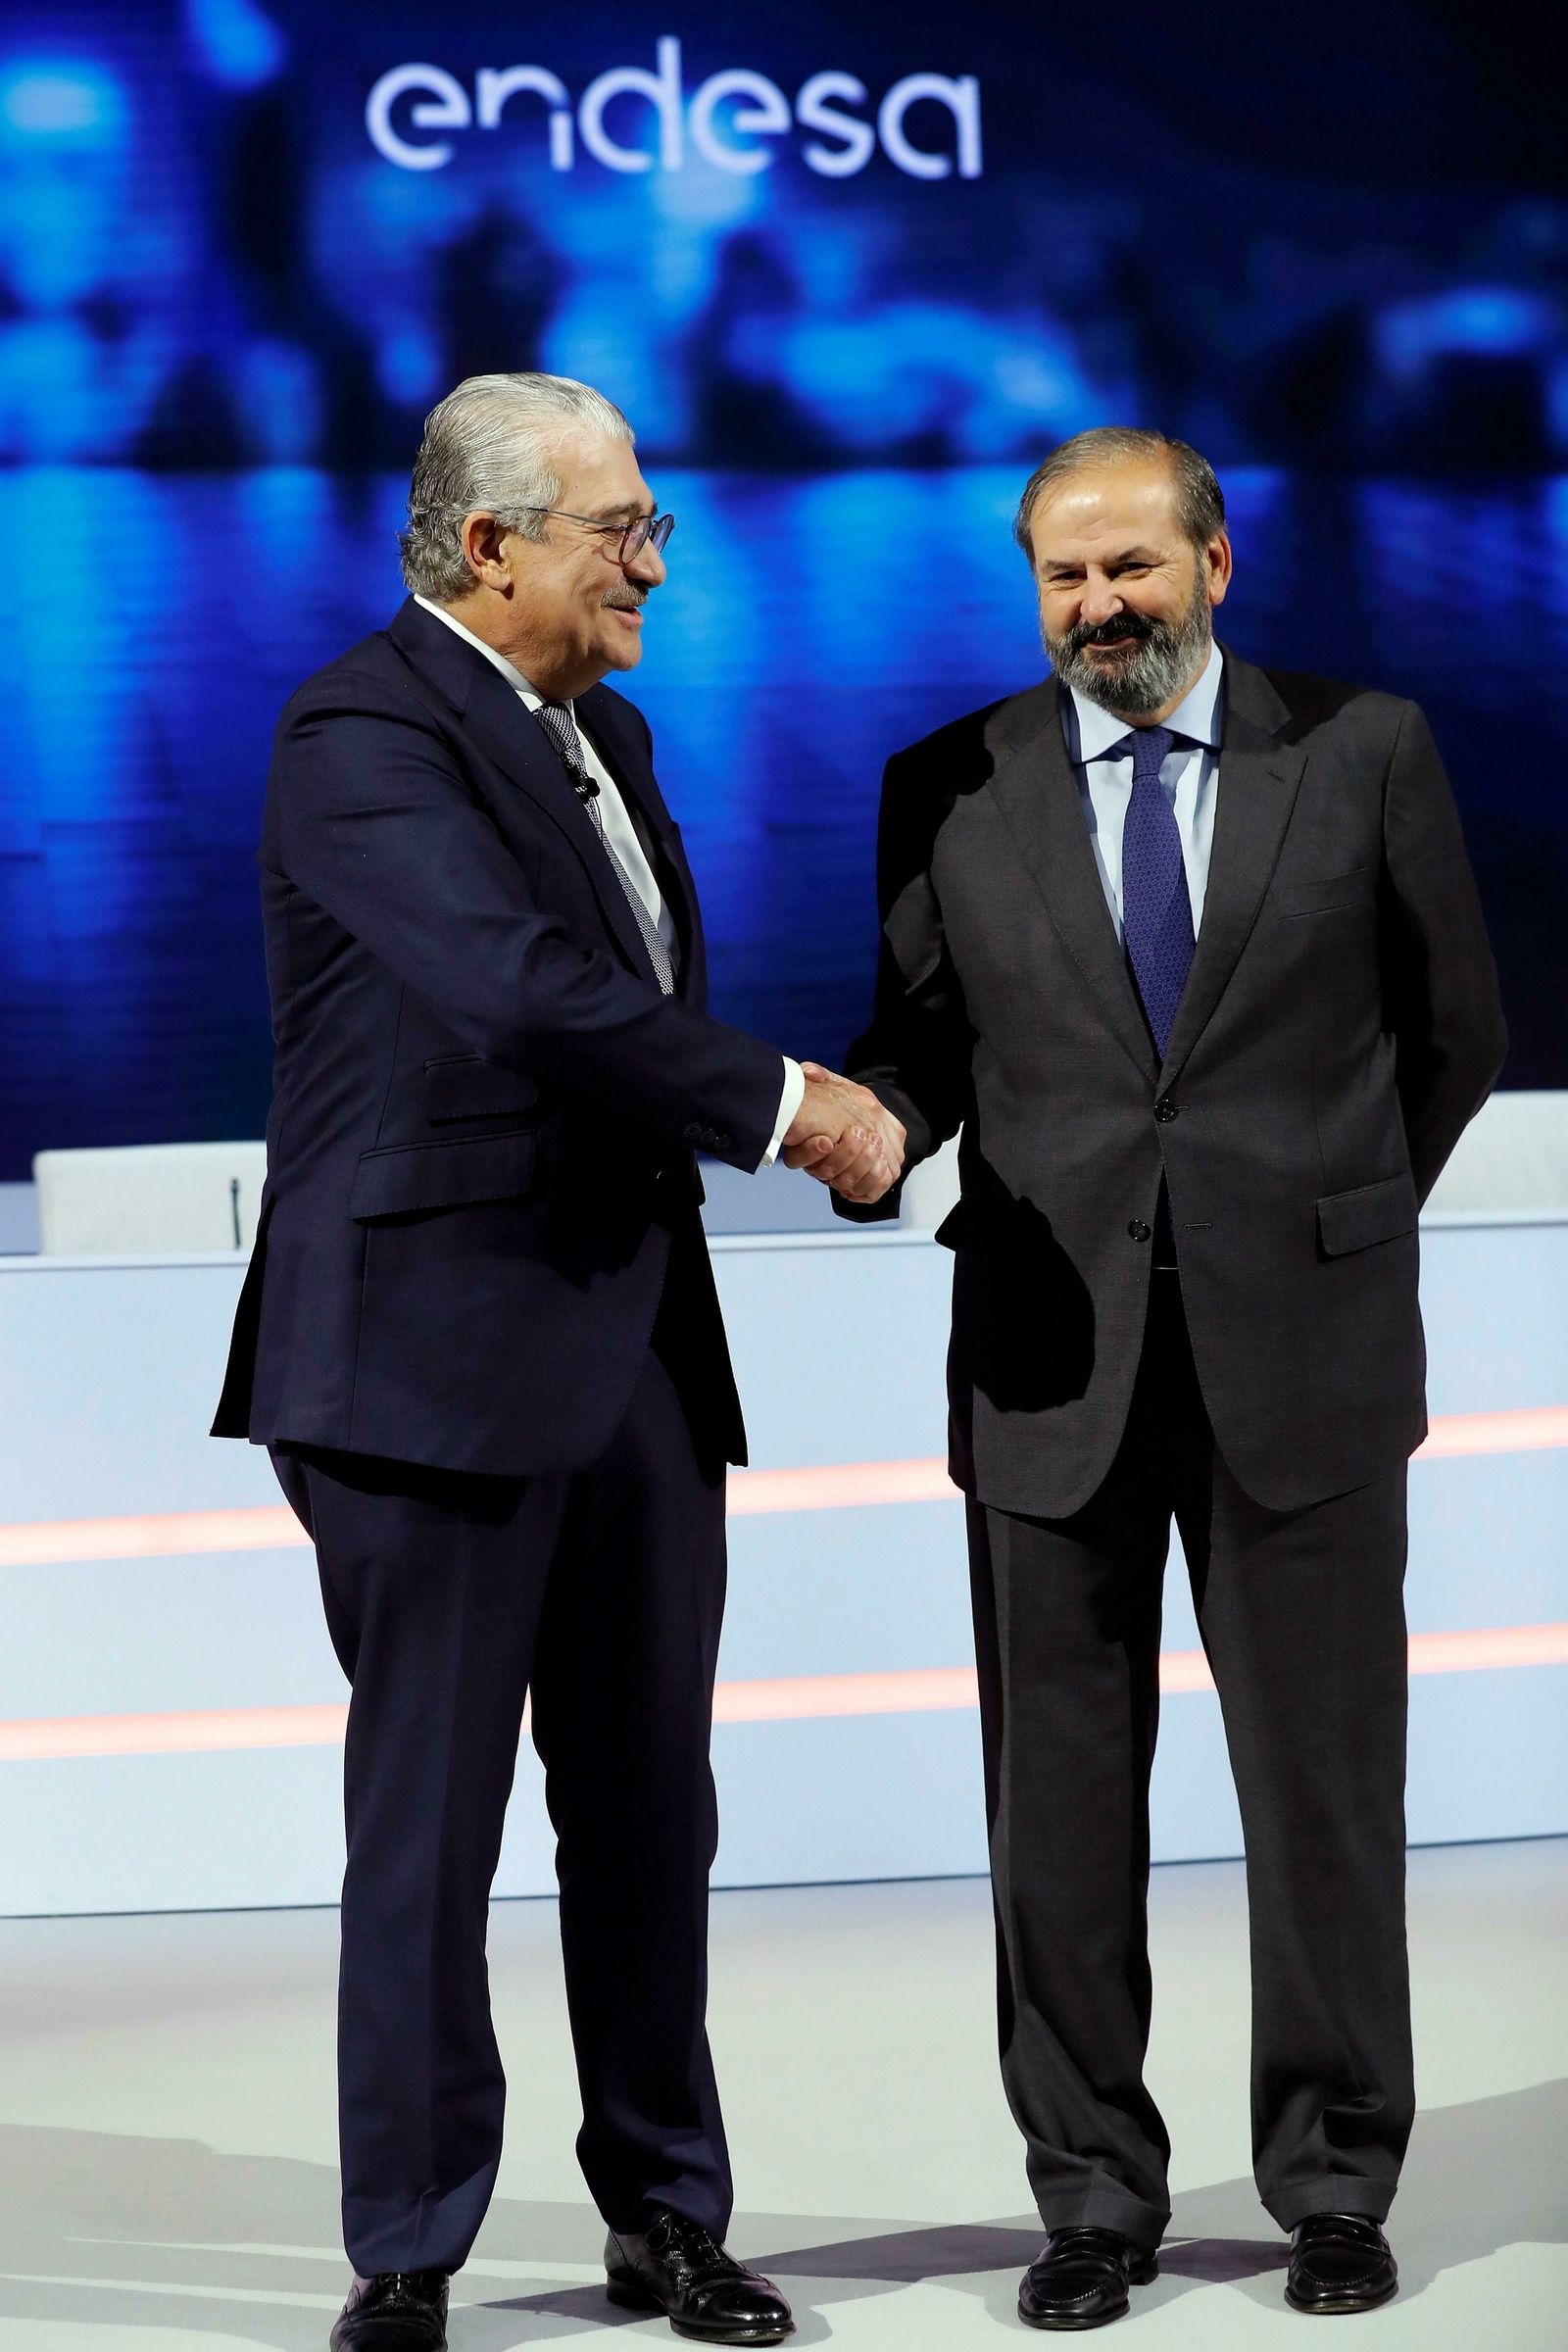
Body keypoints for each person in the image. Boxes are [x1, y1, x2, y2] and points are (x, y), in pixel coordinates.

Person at [213, 369, 903, 2352]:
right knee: (428, 1825)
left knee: (646, 1807)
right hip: (421, 1360)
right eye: (622, 528)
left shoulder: (607, 731)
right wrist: (792, 1107)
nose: (656, 565)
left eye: (653, 525)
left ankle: (667, 2217)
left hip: (631, 1358)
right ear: (489, 538)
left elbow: (614, 1007)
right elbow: (519, 995)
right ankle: (409, 2254)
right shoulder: (357, 725)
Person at [830, 426, 1505, 2328]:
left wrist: (1316, 1214)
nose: (1094, 607)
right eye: (1059, 575)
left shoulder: (1360, 748)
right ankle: (1090, 2200)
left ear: (1215, 564)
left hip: (1303, 1356)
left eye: (1129, 567)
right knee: (1051, 1812)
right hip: (1046, 1360)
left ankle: (1333, 2182)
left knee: (1320, 1801)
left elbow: (1447, 1033)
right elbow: (922, 1037)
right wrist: (871, 1123)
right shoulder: (944, 782)